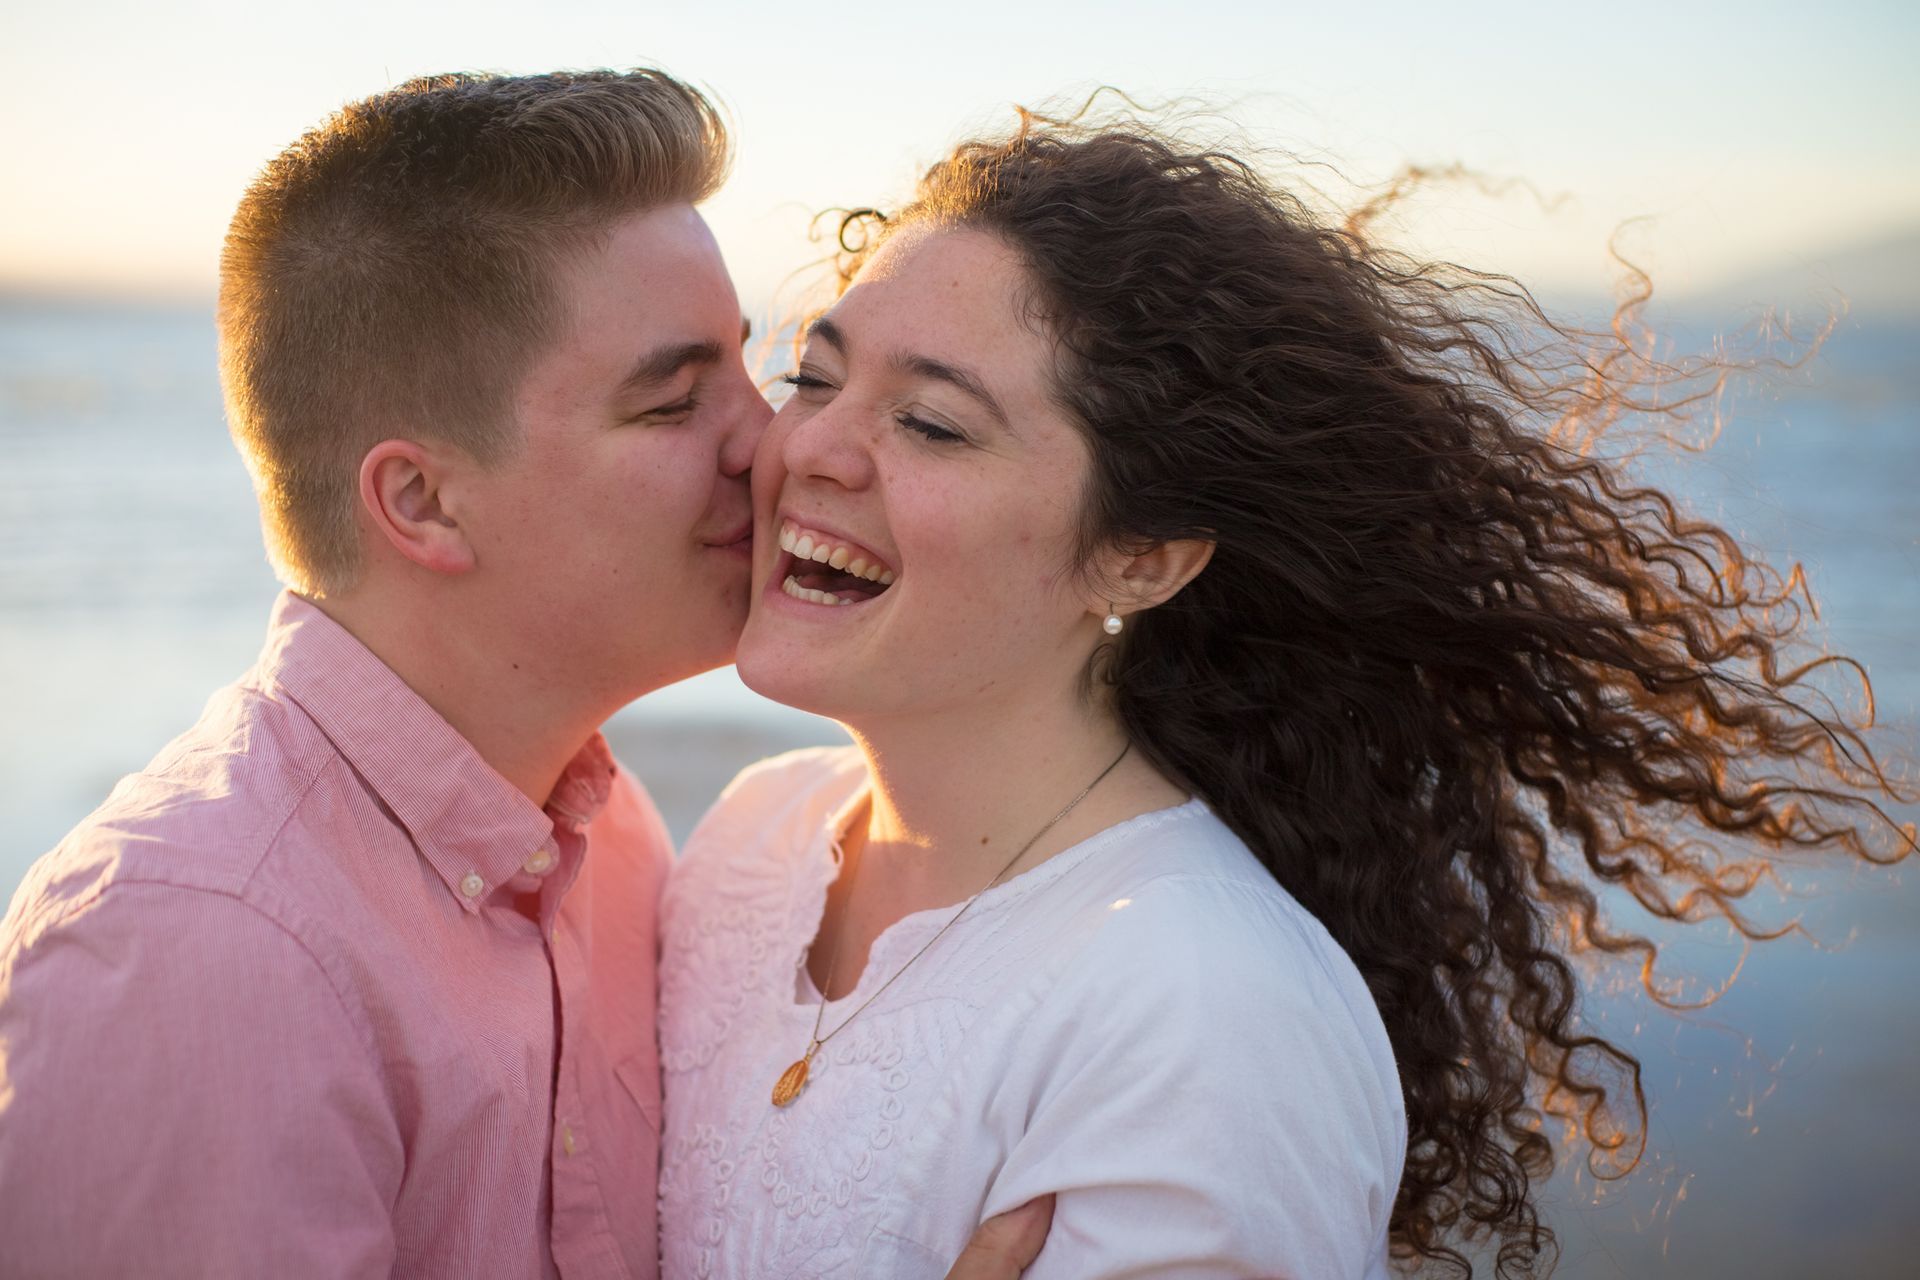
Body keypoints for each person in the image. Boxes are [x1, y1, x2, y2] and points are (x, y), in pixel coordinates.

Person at [655, 105, 1913, 1277]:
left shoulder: (1207, 1009)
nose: (808, 446)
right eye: (816, 378)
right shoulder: (752, 843)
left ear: (1139, 558)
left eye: (931, 424)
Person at [0, 71, 1045, 1279]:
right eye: (671, 402)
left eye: (747, 367)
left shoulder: (618, 845)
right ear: (423, 503)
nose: (772, 440)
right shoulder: (198, 951)